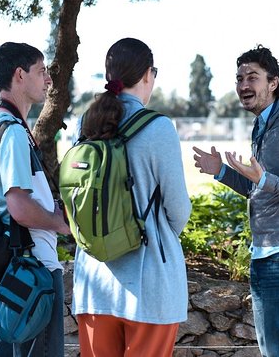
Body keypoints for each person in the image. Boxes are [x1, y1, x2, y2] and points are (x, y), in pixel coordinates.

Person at [192, 45, 279, 357]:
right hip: (268, 251)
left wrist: (264, 179)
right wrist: (223, 171)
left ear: (274, 83)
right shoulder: (262, 123)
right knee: (273, 349)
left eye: (252, 77)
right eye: (239, 78)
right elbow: (261, 188)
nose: (243, 85)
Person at [72, 37, 192, 356]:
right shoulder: (158, 128)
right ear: (148, 75)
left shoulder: (85, 125)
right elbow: (178, 209)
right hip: (147, 283)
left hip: (93, 282)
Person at [0, 42, 71, 356]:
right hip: (33, 273)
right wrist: (59, 221)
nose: (48, 80)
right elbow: (18, 207)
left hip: (8, 270)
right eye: (41, 71)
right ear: (19, 75)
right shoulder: (13, 132)